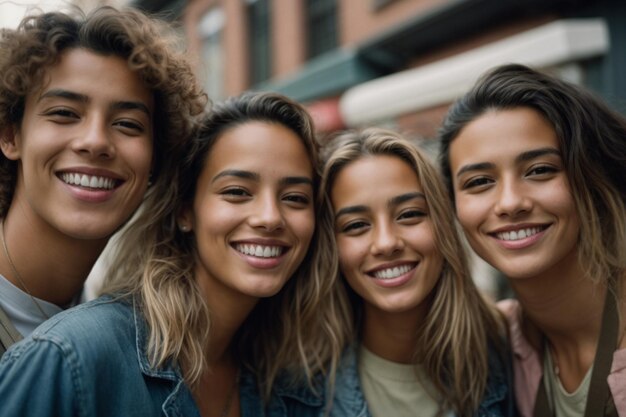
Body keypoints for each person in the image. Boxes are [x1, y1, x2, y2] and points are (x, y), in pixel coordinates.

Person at [0, 91, 345, 417]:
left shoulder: (293, 378)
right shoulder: (70, 355)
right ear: (185, 211)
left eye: (295, 198)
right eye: (238, 191)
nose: (270, 217)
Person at [0, 6, 206, 353]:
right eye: (64, 113)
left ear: (155, 159)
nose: (95, 141)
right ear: (10, 137)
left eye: (127, 123)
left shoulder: (131, 331)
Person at [438, 63, 626, 417]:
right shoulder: (501, 342)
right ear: (453, 207)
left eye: (540, 170)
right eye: (479, 181)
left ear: (590, 175)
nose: (511, 203)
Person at [320, 128, 515, 417]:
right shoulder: (294, 386)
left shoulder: (511, 348)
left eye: (409, 214)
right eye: (356, 225)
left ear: (443, 225)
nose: (386, 243)